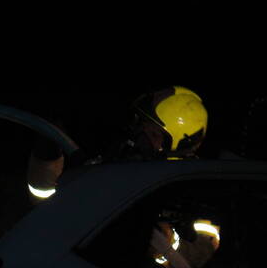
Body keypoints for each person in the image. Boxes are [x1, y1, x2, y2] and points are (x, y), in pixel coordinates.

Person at [26, 85, 209, 201]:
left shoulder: (189, 193)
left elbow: (197, 253)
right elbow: (46, 200)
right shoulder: (117, 155)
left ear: (179, 148)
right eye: (140, 124)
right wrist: (48, 155)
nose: (140, 136)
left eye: (153, 133)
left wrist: (164, 235)